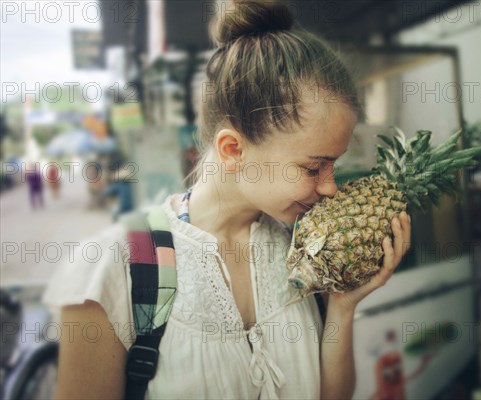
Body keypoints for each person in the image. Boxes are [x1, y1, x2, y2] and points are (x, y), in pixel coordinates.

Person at [43, 1, 412, 399]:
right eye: (312, 168)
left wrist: (341, 307)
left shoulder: (306, 249)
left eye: (333, 166)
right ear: (234, 149)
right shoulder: (114, 269)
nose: (331, 188)